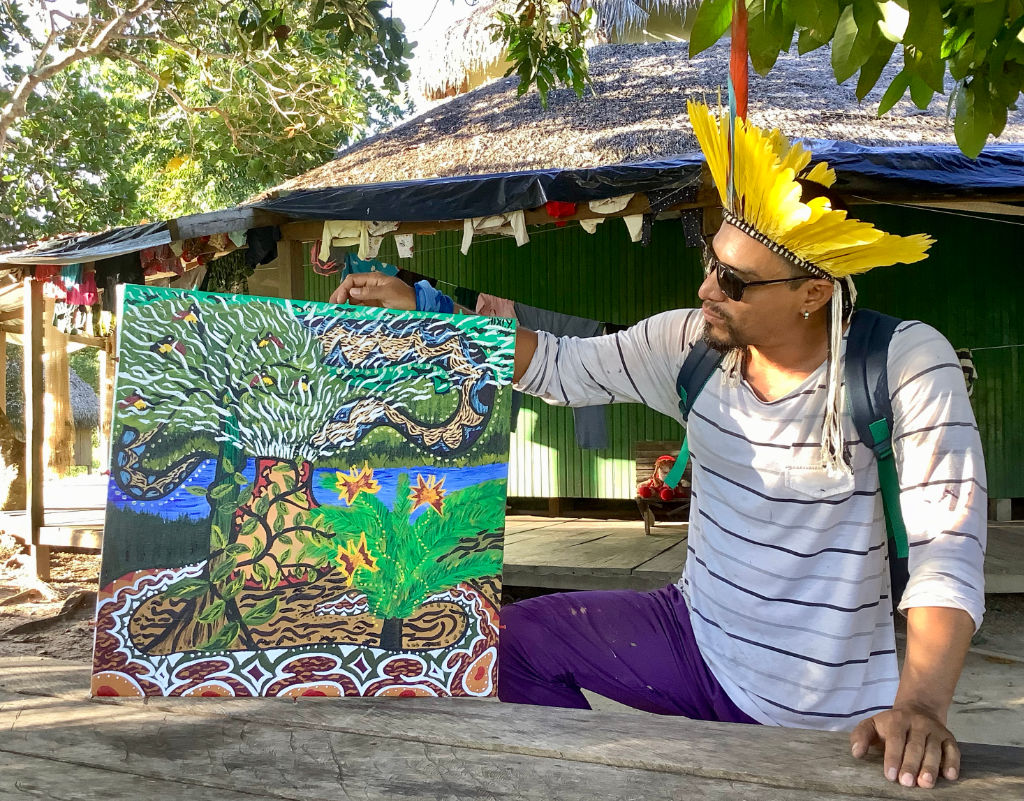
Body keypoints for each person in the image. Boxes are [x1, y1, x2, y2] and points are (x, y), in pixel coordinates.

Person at [330, 102, 986, 791]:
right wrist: (429, 317)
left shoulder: (904, 364)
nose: (706, 288)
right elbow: (558, 364)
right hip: (693, 638)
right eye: (711, 260)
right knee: (503, 641)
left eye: (733, 282)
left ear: (812, 293)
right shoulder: (688, 347)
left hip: (822, 706)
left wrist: (918, 704)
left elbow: (949, 543)